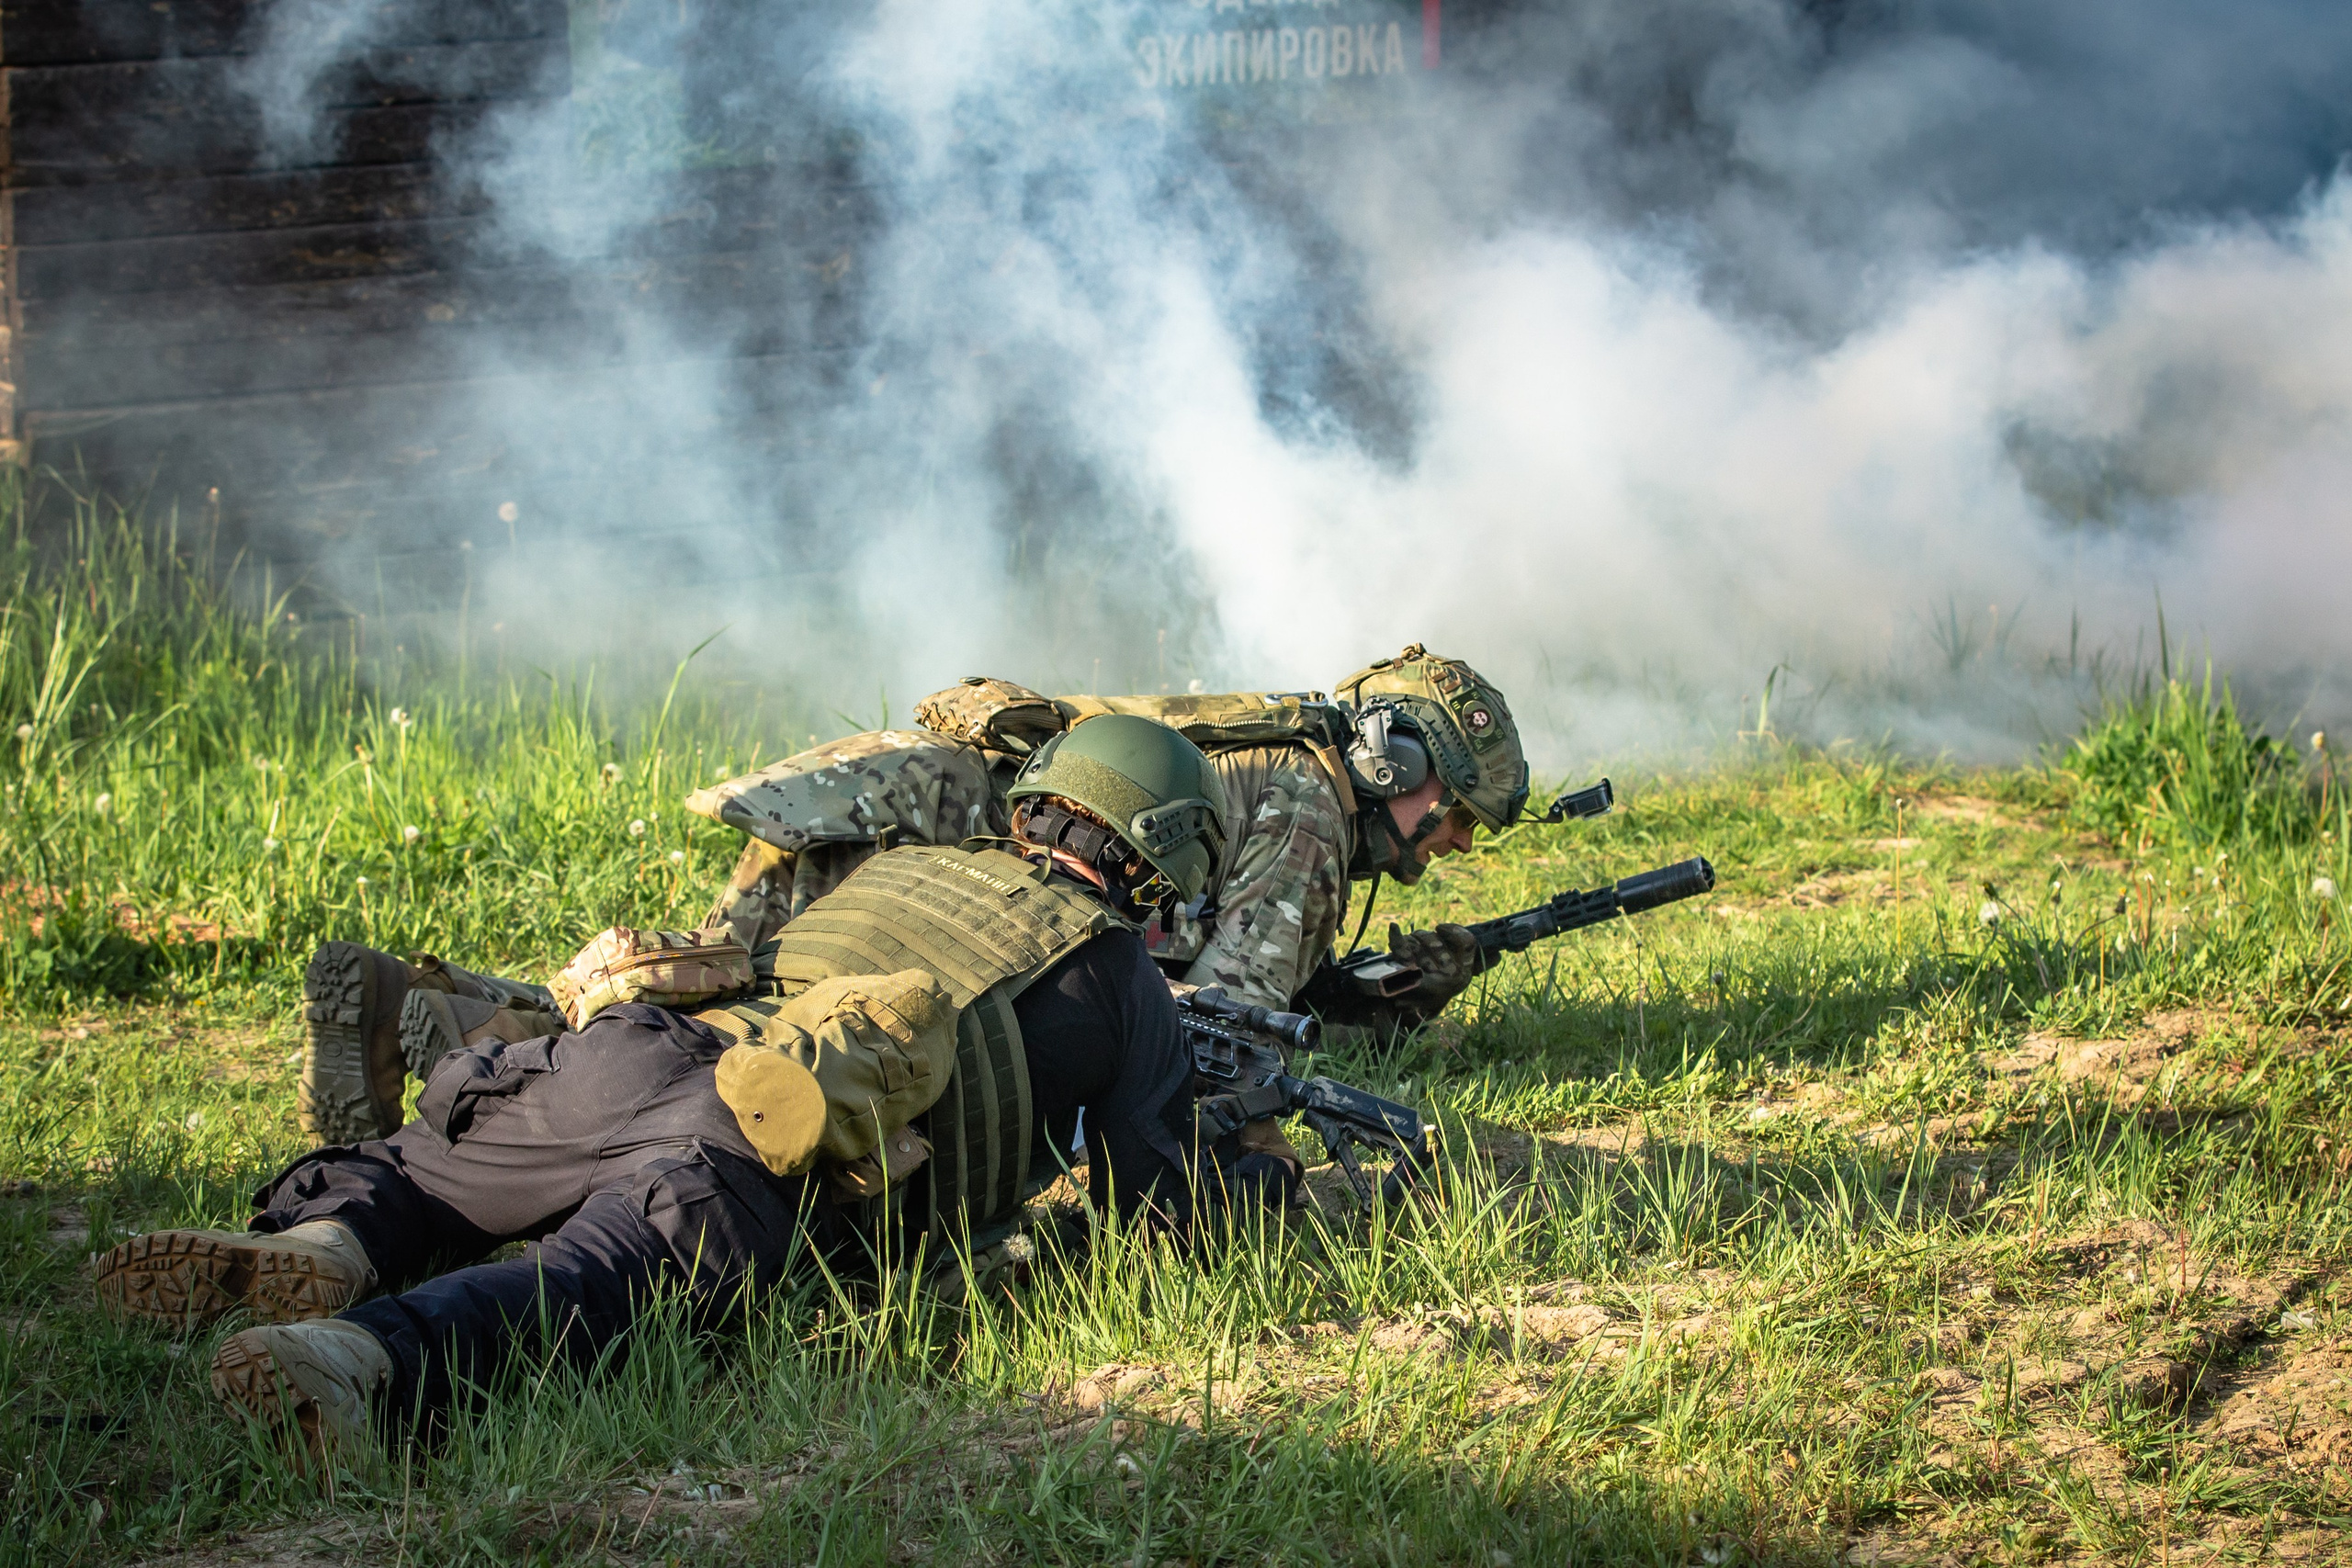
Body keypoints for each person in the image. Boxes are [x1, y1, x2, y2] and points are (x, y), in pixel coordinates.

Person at [93, 716, 1276, 1461]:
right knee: (584, 1287)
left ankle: (331, 1236)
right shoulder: (1128, 981)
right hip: (758, 1142)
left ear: (1042, 799)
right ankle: (363, 1362)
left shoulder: (913, 861)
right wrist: (1263, 1177)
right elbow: (1154, 1223)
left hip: (638, 1052)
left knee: (429, 1175)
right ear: (1161, 853)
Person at [295, 645, 1529, 1145]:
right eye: (1454, 812)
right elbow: (1215, 1026)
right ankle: (478, 1062)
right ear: (1393, 765)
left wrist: (1376, 987)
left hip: (894, 807)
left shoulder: (1273, 749)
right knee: (727, 1055)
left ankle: (445, 1013)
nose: (1454, 841)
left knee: (709, 1014)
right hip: (959, 879)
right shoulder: (1314, 808)